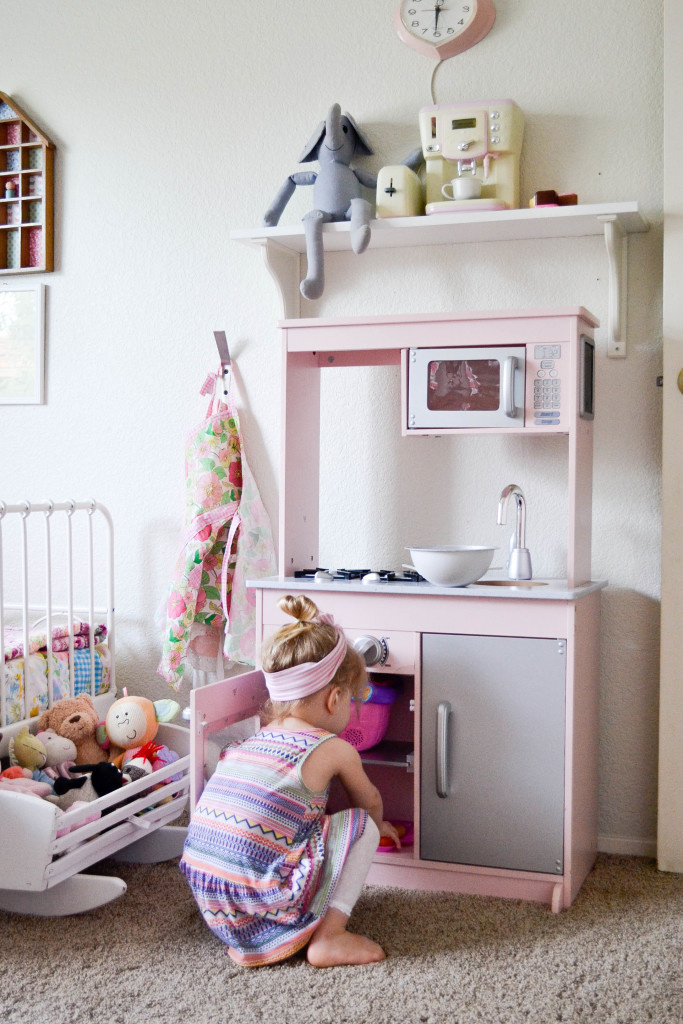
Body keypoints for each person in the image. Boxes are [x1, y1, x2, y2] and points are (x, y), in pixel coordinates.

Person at [180, 594, 401, 968]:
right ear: (334, 699)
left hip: (211, 896)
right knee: (362, 825)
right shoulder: (333, 748)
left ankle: (259, 933)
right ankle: (330, 937)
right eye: (353, 699)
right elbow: (371, 801)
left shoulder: (253, 740)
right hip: (262, 896)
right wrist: (378, 830)